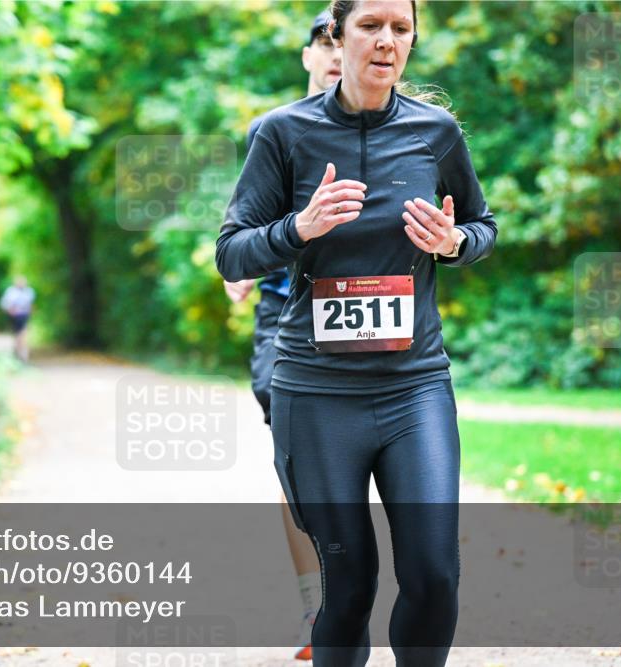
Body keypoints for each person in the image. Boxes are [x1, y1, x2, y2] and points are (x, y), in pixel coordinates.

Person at [215, 1, 497, 665]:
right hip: (317, 393)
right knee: (348, 585)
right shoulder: (283, 134)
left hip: (414, 386)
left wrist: (455, 241)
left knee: (433, 573)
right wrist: (298, 229)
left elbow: (484, 226)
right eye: (370, 25)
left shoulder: (437, 131)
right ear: (336, 38)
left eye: (401, 28)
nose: (386, 41)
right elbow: (232, 253)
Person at [222, 9, 340, 662]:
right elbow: (244, 215)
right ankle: (316, 604)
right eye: (321, 44)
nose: (331, 55)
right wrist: (239, 270)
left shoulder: (388, 127)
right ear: (306, 57)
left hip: (364, 313)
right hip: (284, 313)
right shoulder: (273, 131)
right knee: (295, 456)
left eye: (338, 43)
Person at [0, 276, 35, 363]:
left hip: (24, 315)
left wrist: (30, 311)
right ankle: (18, 352)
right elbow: (4, 304)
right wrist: (10, 310)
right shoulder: (11, 292)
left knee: (23, 333)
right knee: (17, 334)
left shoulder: (29, 291)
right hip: (14, 317)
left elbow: (31, 304)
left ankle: (22, 354)